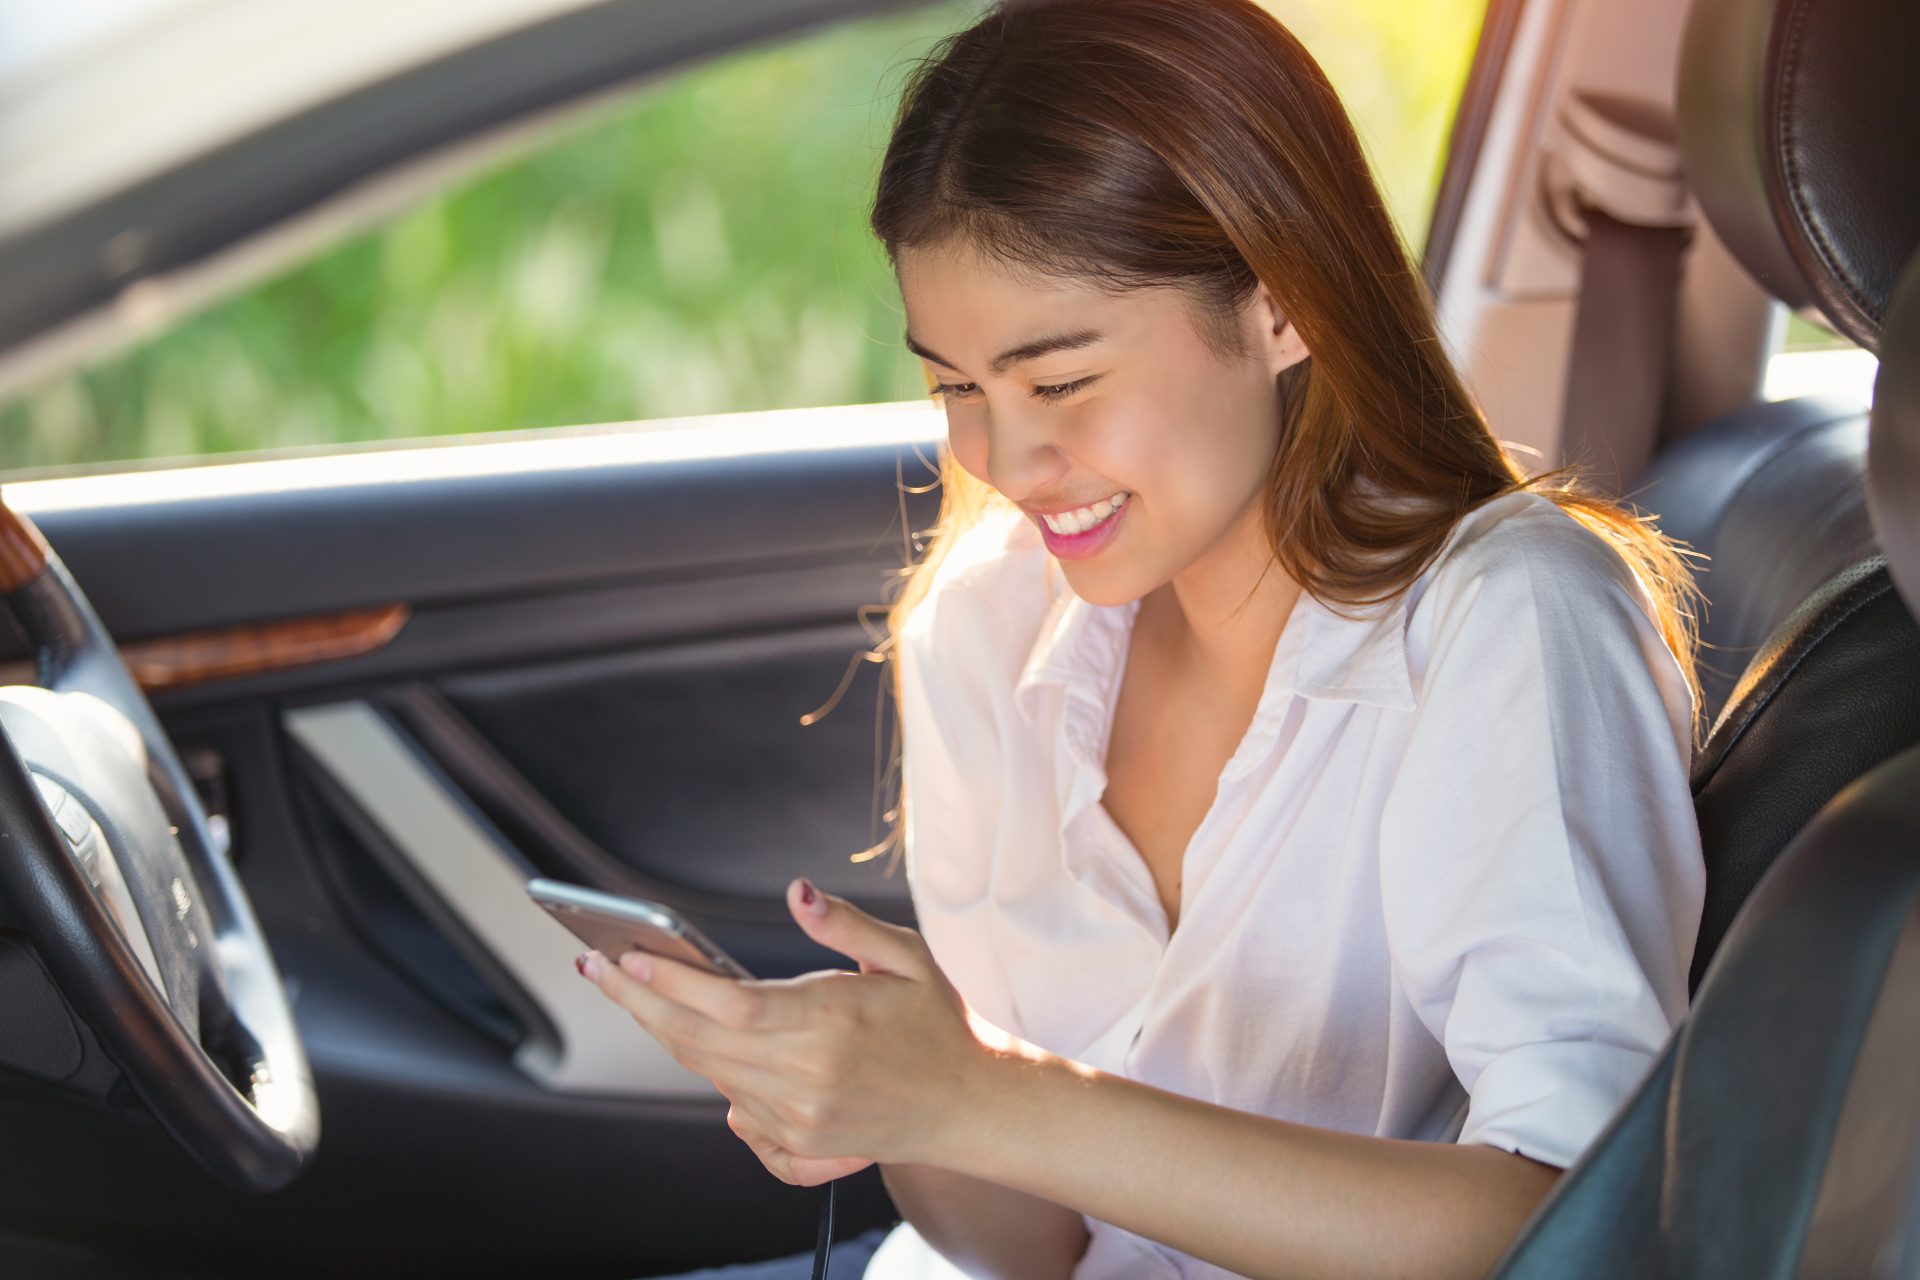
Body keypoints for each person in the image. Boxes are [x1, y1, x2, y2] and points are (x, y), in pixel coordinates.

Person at [579, 0, 1707, 1275]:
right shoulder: (984, 622)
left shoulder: (1504, 627)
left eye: (1060, 381)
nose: (1005, 458)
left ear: (1283, 308)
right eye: (955, 385)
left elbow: (1573, 1222)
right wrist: (904, 1098)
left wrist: (986, 1097)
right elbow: (1035, 1247)